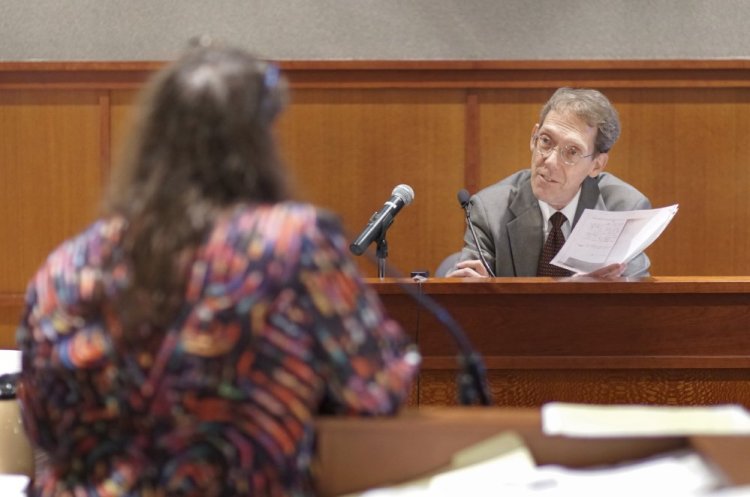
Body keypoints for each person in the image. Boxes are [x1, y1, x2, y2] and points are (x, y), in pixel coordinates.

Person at [16, 42, 419, 497]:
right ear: (259, 146)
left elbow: (36, 423)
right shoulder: (290, 245)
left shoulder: (66, 267)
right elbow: (372, 393)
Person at [448, 87, 651, 279]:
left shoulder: (623, 211)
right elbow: (466, 286)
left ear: (596, 165)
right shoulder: (489, 211)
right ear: (533, 137)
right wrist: (465, 288)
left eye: (572, 152)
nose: (550, 161)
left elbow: (637, 300)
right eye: (546, 141)